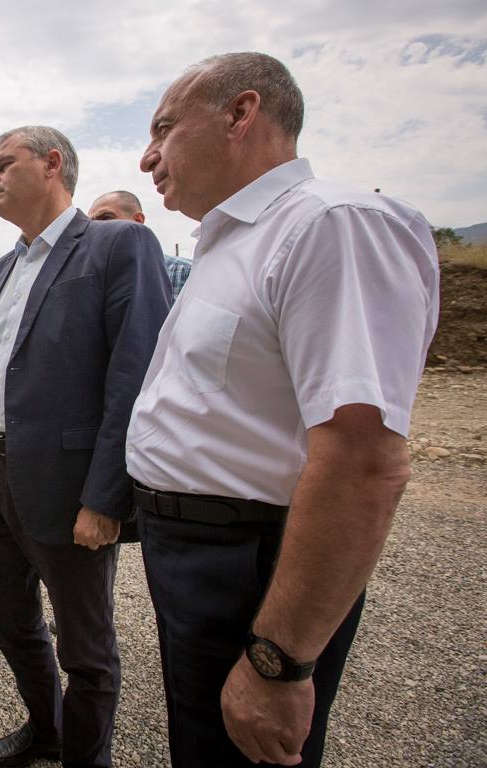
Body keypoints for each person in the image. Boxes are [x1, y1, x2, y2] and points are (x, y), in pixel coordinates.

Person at [128, 52, 439, 768]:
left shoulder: (333, 226)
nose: (147, 157)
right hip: (197, 556)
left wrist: (278, 661)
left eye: (164, 129)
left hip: (250, 564)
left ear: (240, 114)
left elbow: (363, 461)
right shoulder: (232, 240)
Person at [0, 126, 171, 768]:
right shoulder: (1, 270)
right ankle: (47, 728)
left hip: (71, 489)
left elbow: (134, 378)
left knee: (86, 651)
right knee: (9, 620)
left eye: (3, 164)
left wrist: (106, 498)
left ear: (52, 164)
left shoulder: (117, 244)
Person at [88, 191, 191, 301]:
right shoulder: (90, 279)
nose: (96, 228)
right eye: (90, 224)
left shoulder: (184, 273)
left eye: (106, 218)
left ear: (137, 221)